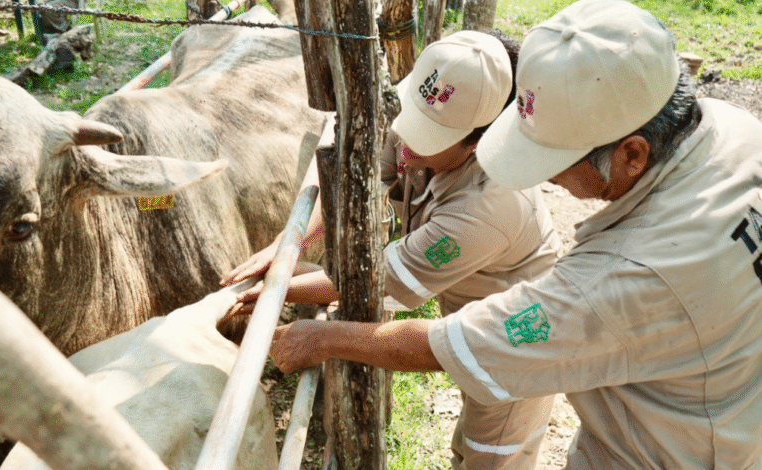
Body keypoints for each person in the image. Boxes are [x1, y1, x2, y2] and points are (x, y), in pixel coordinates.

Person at [263, 0, 762, 468]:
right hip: (715, 396)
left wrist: (321, 335)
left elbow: (462, 344)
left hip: (663, 452)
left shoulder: (620, 278)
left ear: (632, 155)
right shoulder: (734, 131)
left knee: (490, 449)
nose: (547, 179)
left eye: (555, 161)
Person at [222, 30, 561, 470]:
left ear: (479, 141)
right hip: (462, 296)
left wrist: (273, 291)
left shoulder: (488, 206)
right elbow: (360, 179)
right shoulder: (413, 133)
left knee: (491, 451)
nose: (406, 141)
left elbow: (380, 284)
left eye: (430, 136)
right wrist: (292, 242)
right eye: (412, 117)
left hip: (514, 337)